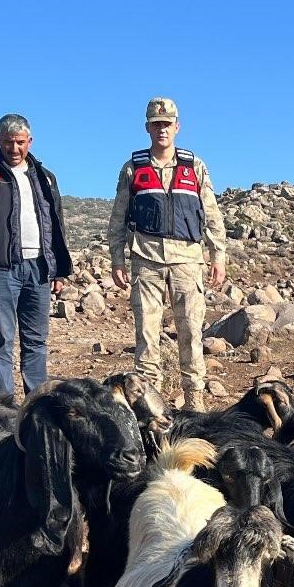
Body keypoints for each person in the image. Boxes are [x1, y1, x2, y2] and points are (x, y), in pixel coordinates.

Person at [108, 97, 228, 412]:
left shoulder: (194, 167)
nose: (162, 129)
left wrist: (218, 255)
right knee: (147, 336)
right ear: (148, 127)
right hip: (146, 260)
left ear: (177, 126)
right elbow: (118, 218)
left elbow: (212, 215)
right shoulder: (133, 167)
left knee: (190, 332)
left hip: (187, 260)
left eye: (167, 124)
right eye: (156, 124)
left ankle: (194, 402)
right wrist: (117, 259)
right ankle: (152, 405)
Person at [0, 113, 72, 395]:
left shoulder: (45, 177)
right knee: (3, 342)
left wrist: (59, 269)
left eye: (20, 142)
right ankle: (5, 405)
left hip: (40, 267)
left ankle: (35, 404)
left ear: (30, 142)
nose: (14, 148)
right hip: (1, 270)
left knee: (36, 341)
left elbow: (56, 221)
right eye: (8, 142)